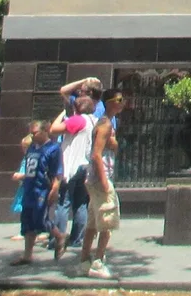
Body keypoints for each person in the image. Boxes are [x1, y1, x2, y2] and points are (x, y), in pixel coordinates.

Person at [79, 88, 127, 278]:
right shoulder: (105, 125)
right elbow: (96, 155)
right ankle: (98, 261)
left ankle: (84, 262)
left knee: (92, 221)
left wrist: (113, 143)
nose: (123, 102)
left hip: (94, 179)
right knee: (107, 222)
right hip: (100, 179)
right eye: (119, 99)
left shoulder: (106, 123)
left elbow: (108, 146)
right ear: (109, 102)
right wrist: (105, 182)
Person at [49, 94, 97, 259]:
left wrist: (61, 115)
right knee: (81, 203)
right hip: (85, 165)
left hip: (72, 166)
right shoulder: (94, 121)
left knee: (63, 203)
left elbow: (53, 129)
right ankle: (77, 238)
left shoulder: (79, 120)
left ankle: (58, 237)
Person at [11, 122, 62, 266]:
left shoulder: (53, 148)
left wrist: (55, 188)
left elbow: (58, 171)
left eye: (35, 133)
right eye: (31, 133)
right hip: (29, 188)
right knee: (27, 221)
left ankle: (59, 236)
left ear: (45, 131)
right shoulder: (32, 148)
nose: (32, 136)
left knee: (40, 220)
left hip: (42, 189)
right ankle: (27, 255)